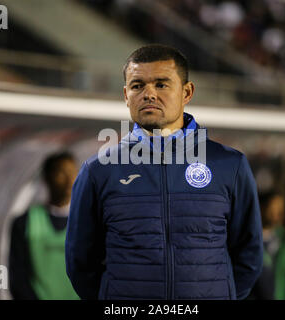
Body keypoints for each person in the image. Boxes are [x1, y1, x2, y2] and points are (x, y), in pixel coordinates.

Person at [65, 44, 263, 300]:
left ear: (187, 92)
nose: (148, 94)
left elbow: (249, 256)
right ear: (126, 95)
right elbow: (80, 263)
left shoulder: (230, 165)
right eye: (137, 86)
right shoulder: (98, 171)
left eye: (161, 84)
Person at [9, 151, 80, 300]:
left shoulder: (92, 222)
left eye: (73, 173)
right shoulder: (25, 222)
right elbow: (17, 277)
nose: (69, 180)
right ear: (46, 178)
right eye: (61, 172)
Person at [248, 189, 285, 299]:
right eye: (273, 207)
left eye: (280, 209)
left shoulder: (283, 238)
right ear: (262, 207)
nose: (277, 213)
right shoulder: (249, 236)